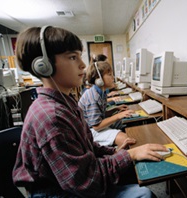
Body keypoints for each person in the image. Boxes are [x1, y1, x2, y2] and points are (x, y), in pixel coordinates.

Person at [12, 26, 168, 197]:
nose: (83, 64)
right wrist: (129, 155)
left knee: (134, 169)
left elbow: (87, 145)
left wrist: (114, 152)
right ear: (44, 66)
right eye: (72, 57)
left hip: (72, 181)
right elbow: (85, 182)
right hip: (58, 192)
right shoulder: (52, 116)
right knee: (144, 194)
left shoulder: (64, 102)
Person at [78, 60, 134, 147]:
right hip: (91, 132)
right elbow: (96, 125)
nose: (113, 77)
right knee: (126, 139)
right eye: (110, 74)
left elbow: (100, 115)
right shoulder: (92, 97)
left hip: (95, 127)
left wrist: (115, 109)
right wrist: (118, 115)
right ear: (99, 78)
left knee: (125, 123)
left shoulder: (100, 92)